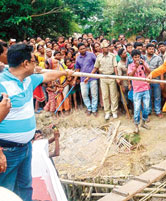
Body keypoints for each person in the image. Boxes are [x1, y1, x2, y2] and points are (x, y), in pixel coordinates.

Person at [0, 43, 73, 201]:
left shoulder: (28, 79)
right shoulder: (1, 83)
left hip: (26, 147)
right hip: (7, 150)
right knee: (6, 191)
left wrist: (65, 72)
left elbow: (48, 76)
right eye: (34, 61)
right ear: (25, 63)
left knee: (25, 187)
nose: (37, 65)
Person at [88, 41, 119, 120]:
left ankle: (114, 111)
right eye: (106, 47)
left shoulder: (112, 56)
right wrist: (89, 76)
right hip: (103, 78)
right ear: (102, 49)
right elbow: (96, 67)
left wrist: (117, 77)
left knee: (113, 95)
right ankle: (107, 112)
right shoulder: (99, 57)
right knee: (105, 96)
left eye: (108, 47)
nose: (107, 48)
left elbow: (115, 67)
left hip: (111, 77)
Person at [128, 49, 151, 133]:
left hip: (145, 88)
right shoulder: (130, 65)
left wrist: (144, 64)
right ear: (132, 58)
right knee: (137, 109)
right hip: (137, 90)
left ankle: (143, 122)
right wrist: (136, 67)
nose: (137, 58)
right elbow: (130, 76)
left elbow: (150, 72)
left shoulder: (143, 63)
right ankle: (136, 125)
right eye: (135, 57)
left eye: (138, 56)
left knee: (146, 108)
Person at [75, 43, 98, 116]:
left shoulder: (91, 54)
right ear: (78, 50)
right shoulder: (78, 58)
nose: (83, 50)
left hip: (93, 77)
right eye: (81, 49)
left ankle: (94, 109)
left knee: (94, 94)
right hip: (83, 78)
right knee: (84, 94)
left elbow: (96, 64)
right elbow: (77, 69)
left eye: (84, 48)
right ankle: (89, 108)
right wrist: (75, 79)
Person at [145, 43, 164, 118]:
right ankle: (148, 111)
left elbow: (161, 70)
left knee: (157, 96)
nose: (151, 50)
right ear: (147, 50)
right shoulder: (143, 58)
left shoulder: (158, 58)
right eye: (150, 49)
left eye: (153, 49)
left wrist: (161, 81)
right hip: (146, 80)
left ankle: (158, 111)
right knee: (148, 96)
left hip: (156, 79)